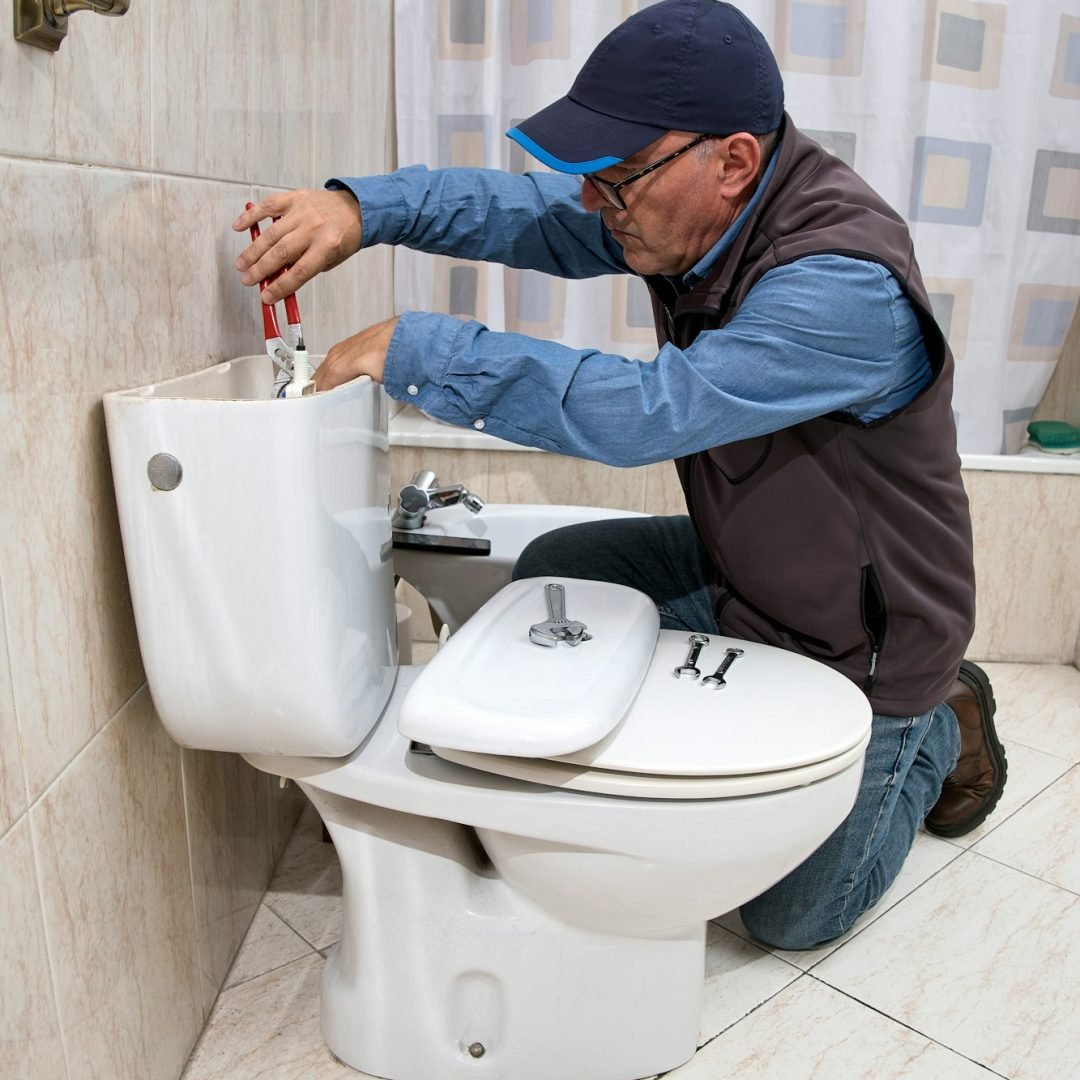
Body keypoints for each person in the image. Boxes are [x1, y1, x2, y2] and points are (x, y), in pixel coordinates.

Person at [233, 0, 1007, 950]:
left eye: (618, 178)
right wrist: (363, 208)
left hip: (872, 638)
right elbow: (521, 212)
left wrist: (415, 346)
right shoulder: (683, 212)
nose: (595, 203)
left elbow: (652, 414)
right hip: (751, 573)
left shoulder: (842, 283)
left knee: (789, 919)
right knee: (557, 570)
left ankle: (941, 723)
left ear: (732, 163)